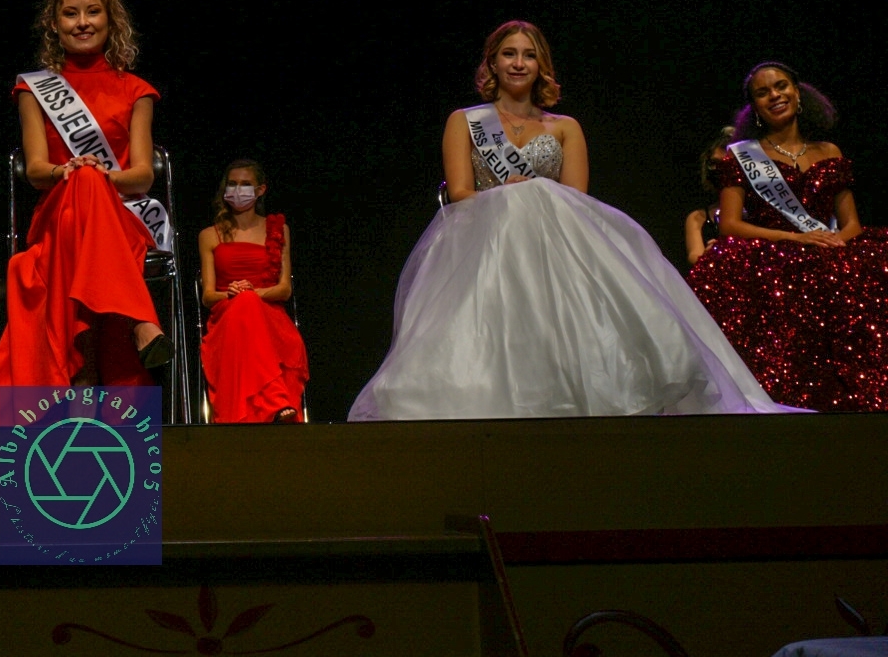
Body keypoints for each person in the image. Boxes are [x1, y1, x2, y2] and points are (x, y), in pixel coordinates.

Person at [348, 21, 797, 421]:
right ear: (493, 63)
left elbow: (576, 199)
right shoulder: (465, 121)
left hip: (554, 248)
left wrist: (531, 192)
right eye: (509, 54)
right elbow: (461, 192)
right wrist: (509, 192)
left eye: (529, 55)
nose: (518, 63)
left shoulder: (565, 126)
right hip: (485, 244)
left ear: (541, 66)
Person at [0, 0, 170, 427]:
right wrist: (70, 172)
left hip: (121, 219)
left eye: (93, 11)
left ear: (110, 19)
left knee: (90, 182)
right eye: (71, 13)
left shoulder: (137, 90)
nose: (82, 22)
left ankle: (84, 370)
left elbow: (141, 177)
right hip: (58, 212)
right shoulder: (34, 90)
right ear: (54, 23)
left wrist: (95, 177)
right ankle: (139, 321)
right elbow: (35, 170)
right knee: (82, 184)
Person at [688, 63, 887, 411]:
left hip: (829, 250)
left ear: (797, 92)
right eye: (763, 92)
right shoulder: (742, 154)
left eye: (781, 86)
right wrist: (795, 239)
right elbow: (730, 225)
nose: (775, 96)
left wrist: (834, 243)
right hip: (773, 251)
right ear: (754, 106)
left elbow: (851, 223)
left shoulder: (830, 151)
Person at [198, 160, 307, 423]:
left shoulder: (278, 229)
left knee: (249, 303)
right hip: (227, 318)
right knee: (244, 304)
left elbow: (284, 289)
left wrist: (251, 294)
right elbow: (208, 296)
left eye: (245, 184)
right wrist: (233, 295)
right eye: (232, 184)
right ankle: (274, 400)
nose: (238, 190)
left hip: (270, 317)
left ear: (260, 190)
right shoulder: (209, 235)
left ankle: (268, 403)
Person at [684, 127, 735, 267]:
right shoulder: (698, 218)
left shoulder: (762, 212)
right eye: (714, 164)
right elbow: (694, 255)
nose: (720, 170)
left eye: (728, 164)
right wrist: (709, 255)